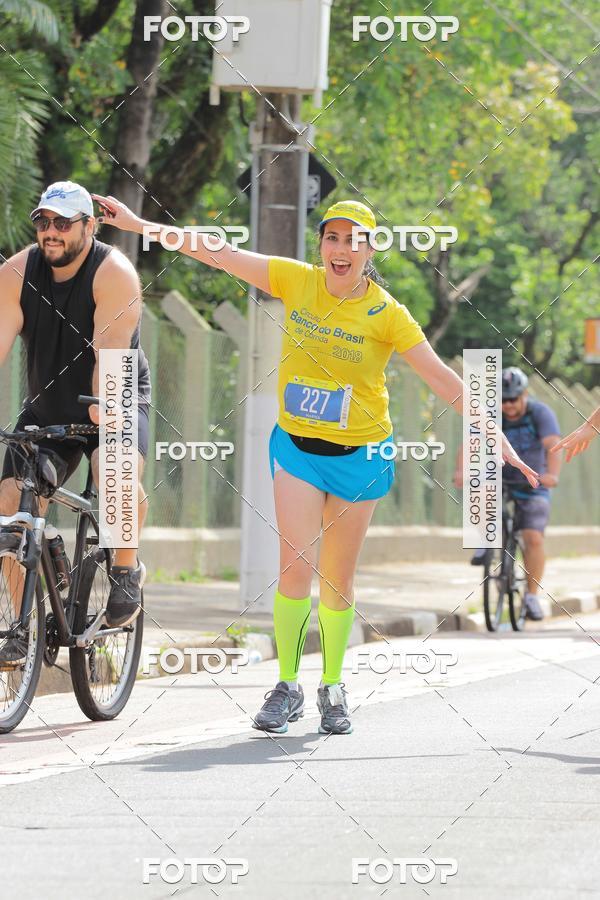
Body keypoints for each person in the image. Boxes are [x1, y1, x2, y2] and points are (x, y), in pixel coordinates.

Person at [92, 194, 537, 735]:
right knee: (295, 570)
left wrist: (493, 432)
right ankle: (286, 685)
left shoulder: (387, 314)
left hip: (361, 457)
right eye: (332, 238)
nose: (341, 249)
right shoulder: (297, 280)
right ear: (321, 244)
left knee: (337, 580)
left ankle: (332, 685)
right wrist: (139, 223)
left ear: (370, 250)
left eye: (354, 240)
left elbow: (441, 378)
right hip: (298, 449)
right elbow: (216, 251)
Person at [0, 181, 151, 665]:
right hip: (48, 406)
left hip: (116, 391)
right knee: (11, 500)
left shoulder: (114, 273)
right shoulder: (16, 272)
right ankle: (23, 626)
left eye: (63, 223)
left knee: (113, 471)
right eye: (43, 221)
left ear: (89, 226)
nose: (51, 231)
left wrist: (105, 409)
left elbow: (111, 355)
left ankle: (125, 569)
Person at [455, 367, 561, 620]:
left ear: (525, 395)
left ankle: (532, 597)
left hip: (532, 480)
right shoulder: (490, 415)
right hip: (499, 476)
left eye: (513, 399)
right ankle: (487, 542)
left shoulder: (540, 413)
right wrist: (460, 471)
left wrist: (552, 475)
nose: (508, 405)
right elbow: (469, 443)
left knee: (533, 538)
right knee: (479, 491)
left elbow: (553, 445)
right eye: (503, 400)